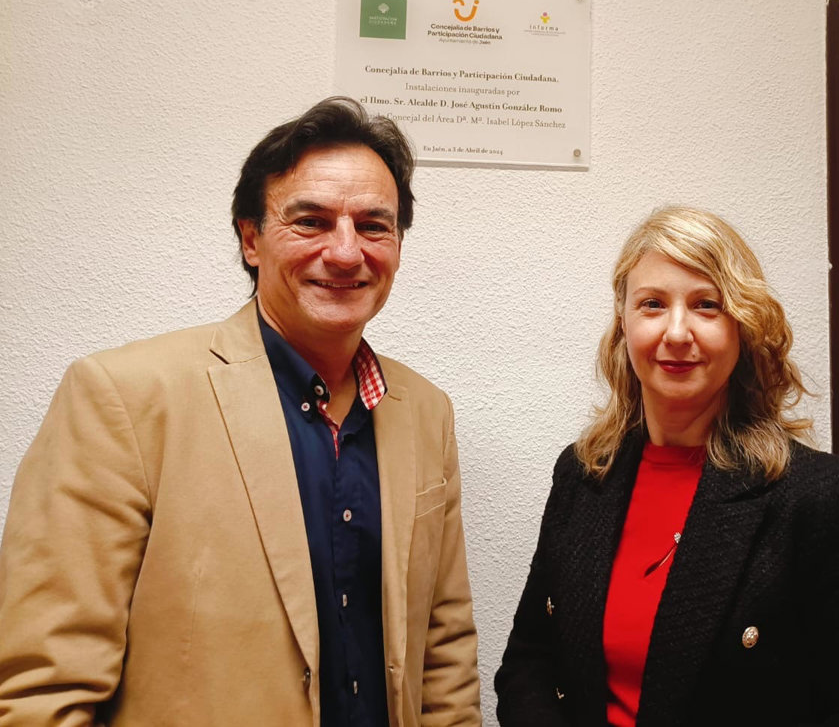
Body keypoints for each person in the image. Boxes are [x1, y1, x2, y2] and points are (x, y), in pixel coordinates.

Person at [0, 98, 480, 727]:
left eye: (372, 225)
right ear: (251, 239)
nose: (345, 252)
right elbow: (44, 689)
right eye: (310, 221)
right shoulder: (124, 396)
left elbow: (443, 656)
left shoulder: (425, 412)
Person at [494, 206, 839, 726]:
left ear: (744, 326)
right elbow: (529, 663)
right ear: (623, 323)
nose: (677, 332)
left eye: (707, 305)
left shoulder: (823, 498)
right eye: (653, 304)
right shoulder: (582, 473)